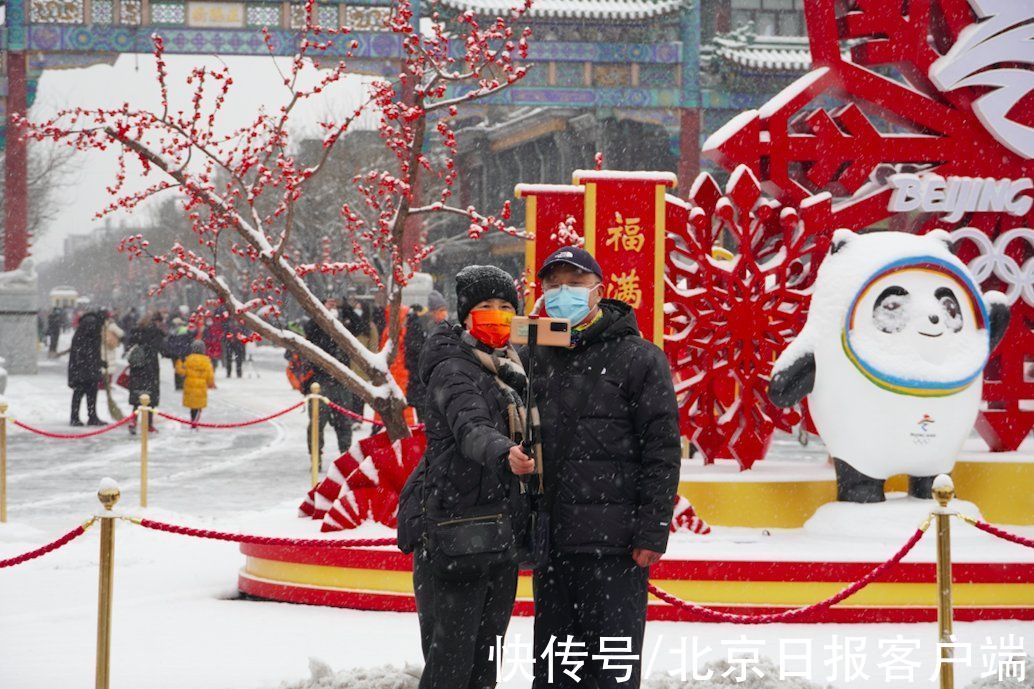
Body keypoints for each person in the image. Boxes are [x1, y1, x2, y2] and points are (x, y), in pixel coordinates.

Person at [525, 246, 681, 689]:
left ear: (599, 291)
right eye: (553, 285)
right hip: (553, 545)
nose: (562, 294)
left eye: (574, 284)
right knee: (557, 670)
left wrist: (652, 531)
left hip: (616, 548)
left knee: (612, 670)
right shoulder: (536, 354)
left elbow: (662, 451)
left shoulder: (640, 358)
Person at [404, 265, 531, 689]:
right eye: (485, 307)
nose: (497, 314)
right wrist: (504, 451)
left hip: (497, 530)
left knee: (484, 662)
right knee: (450, 665)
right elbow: (470, 427)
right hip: (454, 529)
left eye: (505, 307)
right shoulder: (453, 367)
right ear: (465, 314)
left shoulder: (511, 366)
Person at [304, 297, 353, 466]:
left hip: (341, 381)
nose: (333, 305)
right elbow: (310, 332)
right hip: (321, 380)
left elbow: (361, 326)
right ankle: (316, 456)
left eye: (335, 302)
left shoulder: (344, 323)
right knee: (317, 422)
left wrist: (345, 309)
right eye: (329, 303)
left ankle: (345, 456)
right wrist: (322, 317)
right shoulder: (316, 324)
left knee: (344, 422)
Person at [404, 290, 448, 422]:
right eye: (441, 310)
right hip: (421, 384)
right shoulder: (420, 326)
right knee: (426, 422)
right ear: (433, 311)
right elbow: (414, 353)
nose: (444, 313)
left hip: (436, 387)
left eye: (445, 309)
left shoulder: (443, 326)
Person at [341, 290, 379, 423]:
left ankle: (357, 418)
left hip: (360, 367)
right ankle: (349, 416)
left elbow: (373, 347)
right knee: (348, 395)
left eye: (359, 308)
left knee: (358, 396)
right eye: (355, 307)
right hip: (348, 365)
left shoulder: (370, 327)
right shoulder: (348, 324)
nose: (357, 310)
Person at [126, 312, 167, 433]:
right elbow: (164, 350)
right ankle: (149, 425)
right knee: (150, 397)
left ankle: (133, 422)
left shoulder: (136, 331)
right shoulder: (155, 333)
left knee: (137, 397)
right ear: (156, 321)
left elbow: (129, 346)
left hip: (137, 369)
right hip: (150, 369)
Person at [67, 310, 106, 426]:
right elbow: (89, 351)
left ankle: (81, 417)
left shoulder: (85, 326)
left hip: (82, 368)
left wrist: (100, 362)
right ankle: (87, 417)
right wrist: (96, 363)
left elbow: (91, 351)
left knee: (82, 393)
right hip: (85, 369)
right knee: (86, 393)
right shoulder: (92, 325)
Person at [176, 340, 215, 427]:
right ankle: (195, 421)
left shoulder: (189, 359)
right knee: (198, 406)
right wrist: (211, 383)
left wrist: (178, 362)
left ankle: (193, 420)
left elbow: (182, 372)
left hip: (190, 385)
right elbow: (210, 375)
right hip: (201, 387)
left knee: (192, 406)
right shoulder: (206, 361)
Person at [165, 318, 194, 390]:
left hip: (175, 354)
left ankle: (178, 384)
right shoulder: (186, 330)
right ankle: (183, 383)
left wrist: (170, 352)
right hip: (184, 352)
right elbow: (190, 339)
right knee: (184, 367)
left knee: (177, 369)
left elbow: (169, 343)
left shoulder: (172, 332)